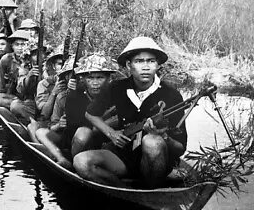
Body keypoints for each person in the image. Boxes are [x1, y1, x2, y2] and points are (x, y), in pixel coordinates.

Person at [73, 37, 187, 188]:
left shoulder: (172, 95)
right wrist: (111, 133)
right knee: (81, 162)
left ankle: (151, 191)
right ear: (129, 65)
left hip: (158, 162)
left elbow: (180, 148)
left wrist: (163, 136)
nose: (145, 67)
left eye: (151, 61)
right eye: (139, 61)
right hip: (123, 157)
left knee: (152, 142)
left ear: (158, 65)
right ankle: (124, 191)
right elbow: (90, 113)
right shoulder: (118, 88)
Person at [35, 54, 117, 170]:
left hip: (99, 141)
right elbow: (55, 123)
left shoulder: (113, 95)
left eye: (100, 78)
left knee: (84, 133)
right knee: (41, 132)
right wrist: (59, 125)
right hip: (71, 138)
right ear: (83, 79)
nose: (95, 83)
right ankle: (62, 159)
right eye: (90, 78)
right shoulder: (68, 96)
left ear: (108, 79)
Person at [0, 29, 30, 109]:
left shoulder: (32, 59)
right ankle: (15, 106)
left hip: (30, 97)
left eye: (23, 45)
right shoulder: (6, 59)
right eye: (17, 44)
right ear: (12, 46)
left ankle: (20, 107)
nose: (20, 48)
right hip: (14, 96)